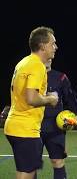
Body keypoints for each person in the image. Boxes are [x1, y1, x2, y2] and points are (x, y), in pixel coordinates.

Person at [4, 26, 59, 179]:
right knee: (26, 174)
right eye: (52, 43)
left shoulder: (24, 62)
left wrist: (44, 95)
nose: (56, 47)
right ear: (42, 46)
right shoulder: (37, 65)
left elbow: (26, 94)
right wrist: (51, 99)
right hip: (25, 129)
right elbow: (31, 99)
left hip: (15, 125)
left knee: (26, 172)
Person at [41, 58, 77, 179]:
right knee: (32, 164)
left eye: (50, 58)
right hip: (33, 126)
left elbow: (70, 96)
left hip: (55, 127)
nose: (48, 59)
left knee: (57, 161)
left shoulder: (61, 77)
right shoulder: (31, 76)